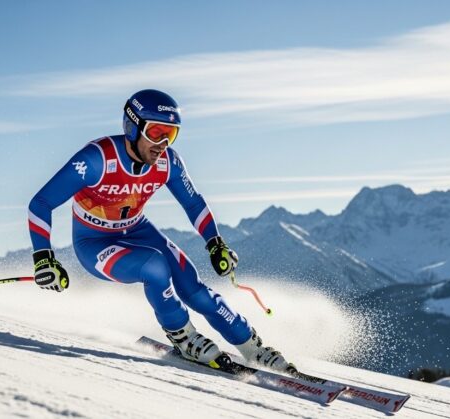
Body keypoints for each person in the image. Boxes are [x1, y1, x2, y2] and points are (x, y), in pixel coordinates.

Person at [27, 89, 293, 373]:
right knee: (154, 265)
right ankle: (184, 337)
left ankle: (251, 346)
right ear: (132, 127)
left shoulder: (168, 163)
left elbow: (193, 202)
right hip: (94, 243)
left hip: (137, 229)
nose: (162, 144)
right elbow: (41, 202)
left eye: (171, 135)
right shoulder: (97, 160)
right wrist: (43, 257)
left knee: (194, 287)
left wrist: (215, 243)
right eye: (156, 132)